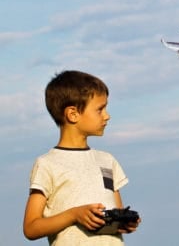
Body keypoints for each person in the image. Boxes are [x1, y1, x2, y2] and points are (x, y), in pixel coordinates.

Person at [23, 70, 140, 245]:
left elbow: (116, 211)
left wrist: (124, 221)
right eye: (100, 109)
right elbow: (31, 228)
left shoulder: (108, 160)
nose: (107, 116)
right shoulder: (47, 164)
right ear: (73, 114)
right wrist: (74, 215)